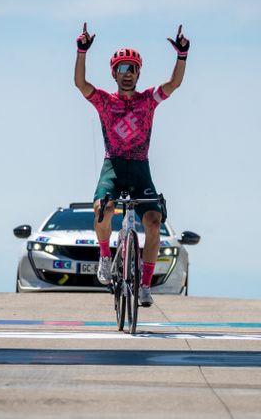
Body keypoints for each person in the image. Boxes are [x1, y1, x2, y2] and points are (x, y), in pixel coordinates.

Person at [74, 22, 189, 307]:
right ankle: (104, 256)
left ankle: (145, 287)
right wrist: (81, 51)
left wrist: (182, 56)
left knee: (154, 222)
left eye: (132, 69)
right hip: (113, 166)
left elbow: (173, 85)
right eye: (122, 69)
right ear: (114, 74)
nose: (127, 75)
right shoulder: (104, 101)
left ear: (138, 73)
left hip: (140, 167)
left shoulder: (147, 101)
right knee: (104, 210)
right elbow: (80, 84)